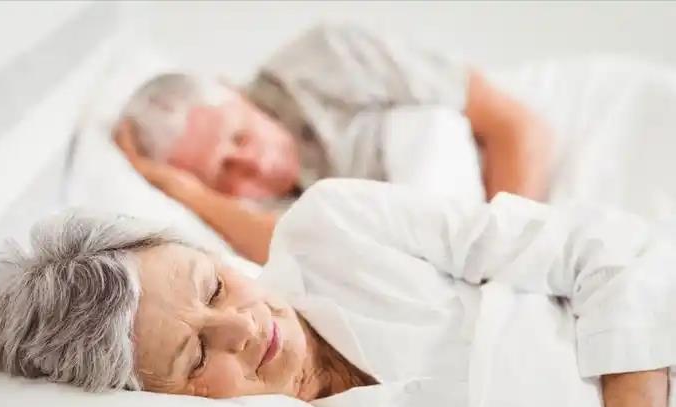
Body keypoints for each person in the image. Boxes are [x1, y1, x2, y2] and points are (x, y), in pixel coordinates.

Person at [0, 179, 673, 407]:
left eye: (213, 287)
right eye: (195, 357)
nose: (242, 328)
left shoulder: (333, 226)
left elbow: (594, 245)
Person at [113, 24, 553, 264]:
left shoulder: (328, 59)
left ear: (233, 91)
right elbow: (296, 246)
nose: (255, 166)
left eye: (240, 137)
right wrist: (187, 193)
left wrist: (501, 256)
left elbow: (515, 125)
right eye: (223, 171)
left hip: (504, 191)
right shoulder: (241, 213)